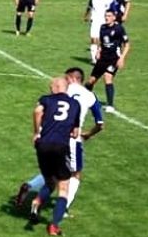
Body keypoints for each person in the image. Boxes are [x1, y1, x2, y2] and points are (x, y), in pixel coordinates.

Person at [14, 67, 104, 217]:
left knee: (53, 172)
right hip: (71, 139)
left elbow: (45, 109)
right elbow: (100, 124)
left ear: (72, 78)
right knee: (74, 174)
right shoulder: (90, 96)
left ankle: (29, 186)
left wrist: (39, 131)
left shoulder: (61, 92)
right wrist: (88, 134)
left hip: (50, 136)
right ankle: (63, 210)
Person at [29, 77, 81, 236]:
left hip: (43, 145)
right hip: (60, 146)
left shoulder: (45, 99)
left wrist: (37, 132)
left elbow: (38, 111)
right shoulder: (75, 104)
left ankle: (37, 201)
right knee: (63, 188)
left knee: (50, 182)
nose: (50, 88)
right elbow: (75, 132)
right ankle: (54, 226)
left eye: (51, 85)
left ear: (57, 86)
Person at [85, 9, 130, 113]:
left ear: (114, 17)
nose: (107, 18)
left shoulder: (119, 29)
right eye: (106, 16)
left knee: (107, 77)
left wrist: (122, 58)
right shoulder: (103, 27)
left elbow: (127, 45)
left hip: (113, 59)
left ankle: (110, 105)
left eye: (109, 16)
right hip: (103, 59)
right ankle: (85, 99)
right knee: (91, 81)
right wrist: (99, 51)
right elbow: (102, 42)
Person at [82, 0, 112, 65]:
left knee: (101, 41)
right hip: (94, 21)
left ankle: (103, 57)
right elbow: (89, 6)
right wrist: (86, 15)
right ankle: (94, 59)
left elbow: (111, 11)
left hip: (104, 22)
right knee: (93, 39)